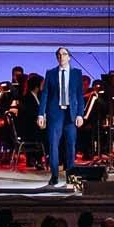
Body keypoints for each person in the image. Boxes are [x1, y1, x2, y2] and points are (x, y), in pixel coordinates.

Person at [39, 46, 86, 185]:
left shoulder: (76, 73)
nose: (61, 57)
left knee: (71, 145)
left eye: (64, 54)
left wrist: (80, 114)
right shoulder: (51, 73)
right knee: (54, 144)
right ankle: (54, 175)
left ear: (69, 57)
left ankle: (70, 176)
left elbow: (79, 95)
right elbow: (45, 94)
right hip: (55, 113)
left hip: (71, 113)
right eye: (59, 55)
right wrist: (41, 114)